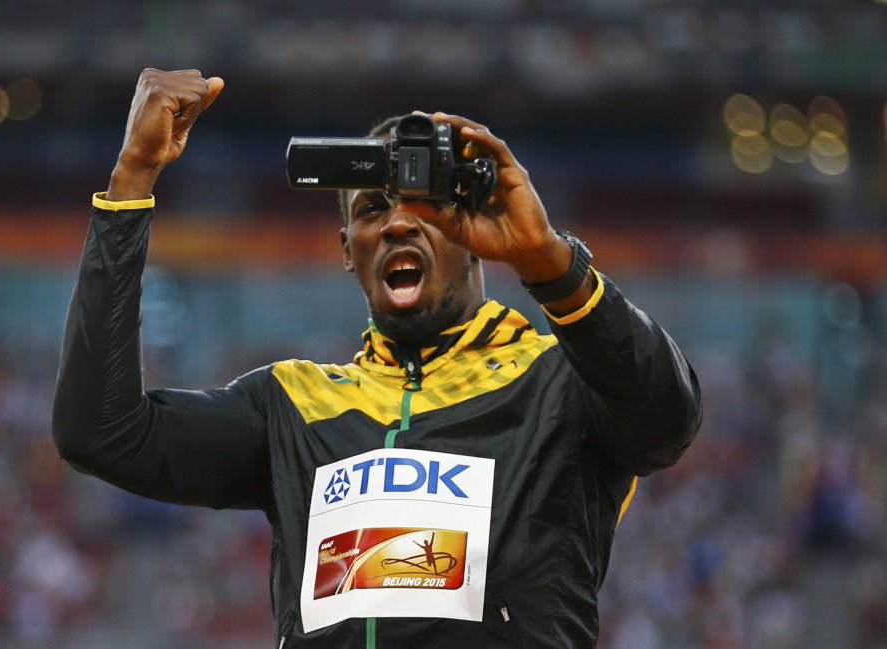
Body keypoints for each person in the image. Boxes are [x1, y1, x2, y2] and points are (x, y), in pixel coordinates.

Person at [52, 68, 702, 649]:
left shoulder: (560, 381)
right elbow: (99, 432)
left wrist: (550, 262)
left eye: (424, 205)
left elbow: (669, 419)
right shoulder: (292, 407)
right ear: (347, 249)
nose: (396, 224)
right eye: (371, 209)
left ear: (475, 232)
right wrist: (130, 178)